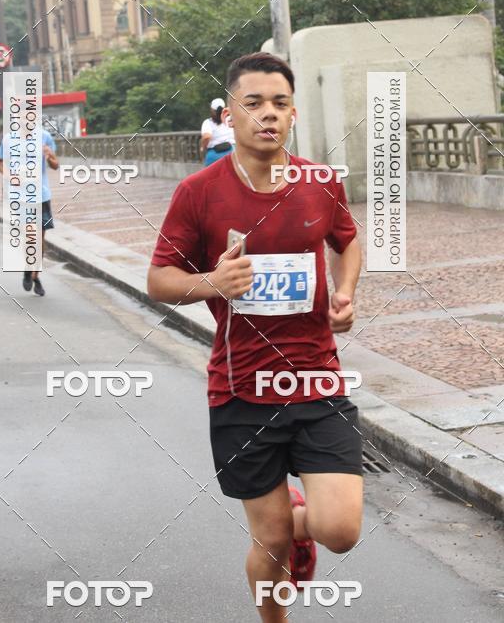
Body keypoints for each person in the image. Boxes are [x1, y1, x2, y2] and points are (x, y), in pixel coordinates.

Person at [148, 52, 363, 622]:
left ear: (293, 114)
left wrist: (344, 293)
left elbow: (348, 240)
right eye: (254, 103)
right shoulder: (199, 192)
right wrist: (211, 281)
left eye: (280, 103)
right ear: (231, 113)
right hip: (242, 391)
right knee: (269, 545)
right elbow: (159, 279)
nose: (268, 114)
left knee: (339, 532)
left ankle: (301, 515)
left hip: (318, 381)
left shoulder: (321, 183)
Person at [0, 127, 59, 297]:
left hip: (41, 195)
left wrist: (50, 155)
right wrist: (11, 177)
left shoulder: (44, 136)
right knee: (29, 236)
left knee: (40, 238)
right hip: (20, 196)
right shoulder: (9, 139)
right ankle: (29, 269)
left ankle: (35, 275)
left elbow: (55, 165)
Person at [200, 97, 235, 166]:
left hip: (214, 155)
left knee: (210, 175)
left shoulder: (208, 122)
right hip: (232, 152)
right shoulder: (231, 119)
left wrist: (202, 148)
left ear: (212, 110)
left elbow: (207, 137)